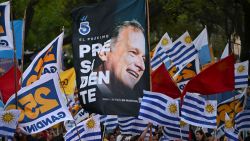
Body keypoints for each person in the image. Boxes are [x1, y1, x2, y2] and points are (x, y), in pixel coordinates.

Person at [96, 20, 146, 98]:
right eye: (133, 52)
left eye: (143, 59)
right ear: (104, 53)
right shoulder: (82, 99)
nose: (142, 66)